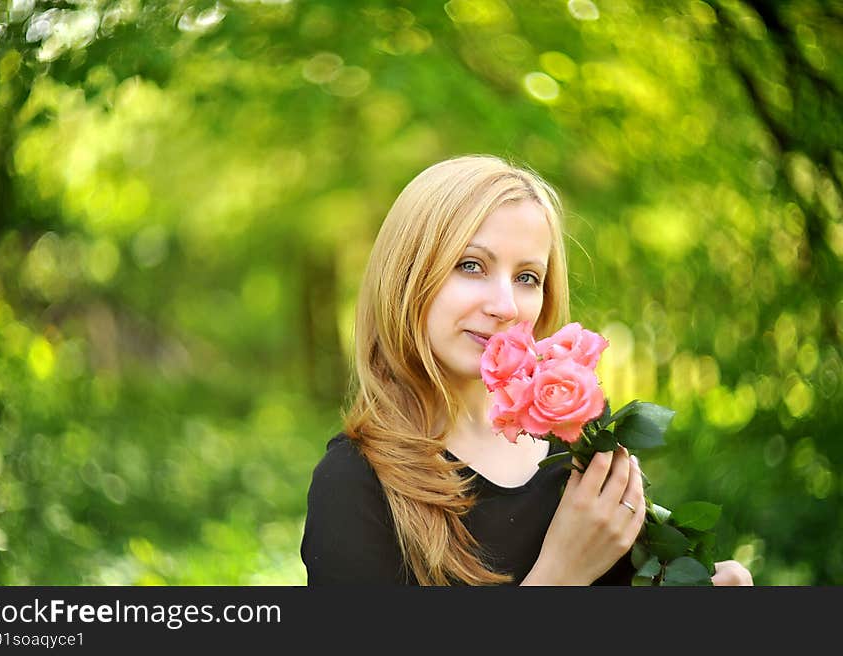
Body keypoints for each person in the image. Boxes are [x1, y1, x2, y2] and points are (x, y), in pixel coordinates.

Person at [300, 154, 753, 586]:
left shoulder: (577, 434)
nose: (505, 306)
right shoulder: (355, 484)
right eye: (471, 265)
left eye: (527, 278)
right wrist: (560, 575)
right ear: (407, 275)